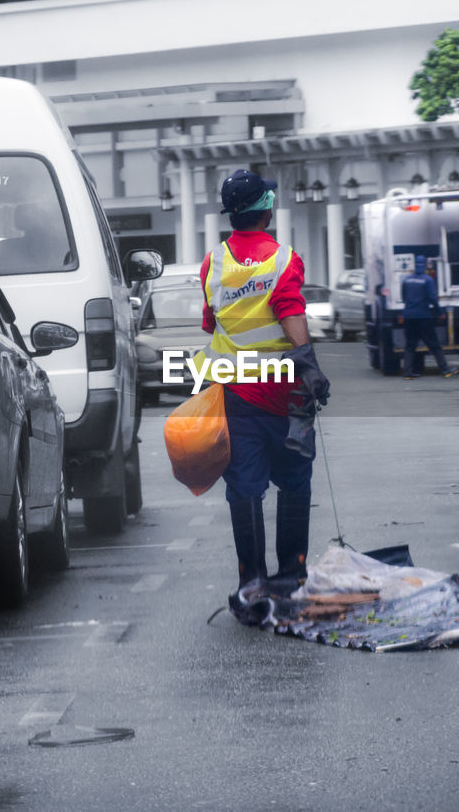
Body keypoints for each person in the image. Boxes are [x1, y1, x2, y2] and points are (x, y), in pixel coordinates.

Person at [193, 169, 331, 607]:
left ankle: (251, 584)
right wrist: (307, 363)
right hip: (284, 397)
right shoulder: (284, 259)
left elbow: (210, 323)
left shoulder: (212, 264)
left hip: (236, 397)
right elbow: (290, 311)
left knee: (245, 487)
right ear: (266, 210)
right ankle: (291, 575)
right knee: (294, 481)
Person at [400, 254, 457, 378]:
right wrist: (439, 312)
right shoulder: (428, 280)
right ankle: (446, 370)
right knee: (434, 345)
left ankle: (408, 373)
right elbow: (432, 298)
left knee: (410, 345)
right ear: (425, 265)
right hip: (423, 317)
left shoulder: (407, 279)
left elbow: (403, 297)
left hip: (409, 316)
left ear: (414, 265)